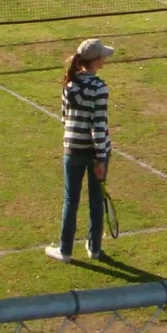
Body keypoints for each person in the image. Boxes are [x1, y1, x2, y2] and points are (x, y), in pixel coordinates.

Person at [46, 38, 115, 263]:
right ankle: (94, 249)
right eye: (103, 55)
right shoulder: (100, 88)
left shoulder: (68, 85)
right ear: (96, 60)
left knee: (71, 200)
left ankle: (65, 250)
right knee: (95, 200)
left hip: (72, 150)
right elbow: (98, 125)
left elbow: (65, 117)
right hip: (94, 152)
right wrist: (101, 158)